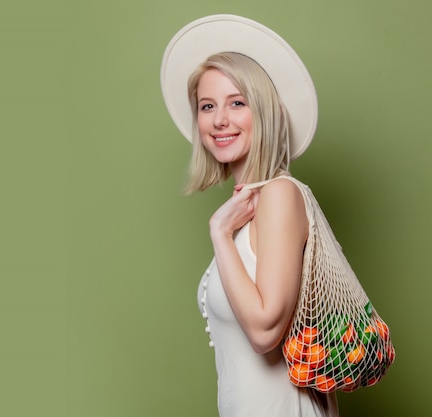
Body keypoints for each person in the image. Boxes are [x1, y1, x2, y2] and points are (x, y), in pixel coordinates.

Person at [160, 15, 339, 416]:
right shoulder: (250, 208)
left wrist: (219, 232)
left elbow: (263, 332)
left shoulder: (279, 194)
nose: (219, 119)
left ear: (265, 111)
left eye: (237, 102)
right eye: (208, 106)